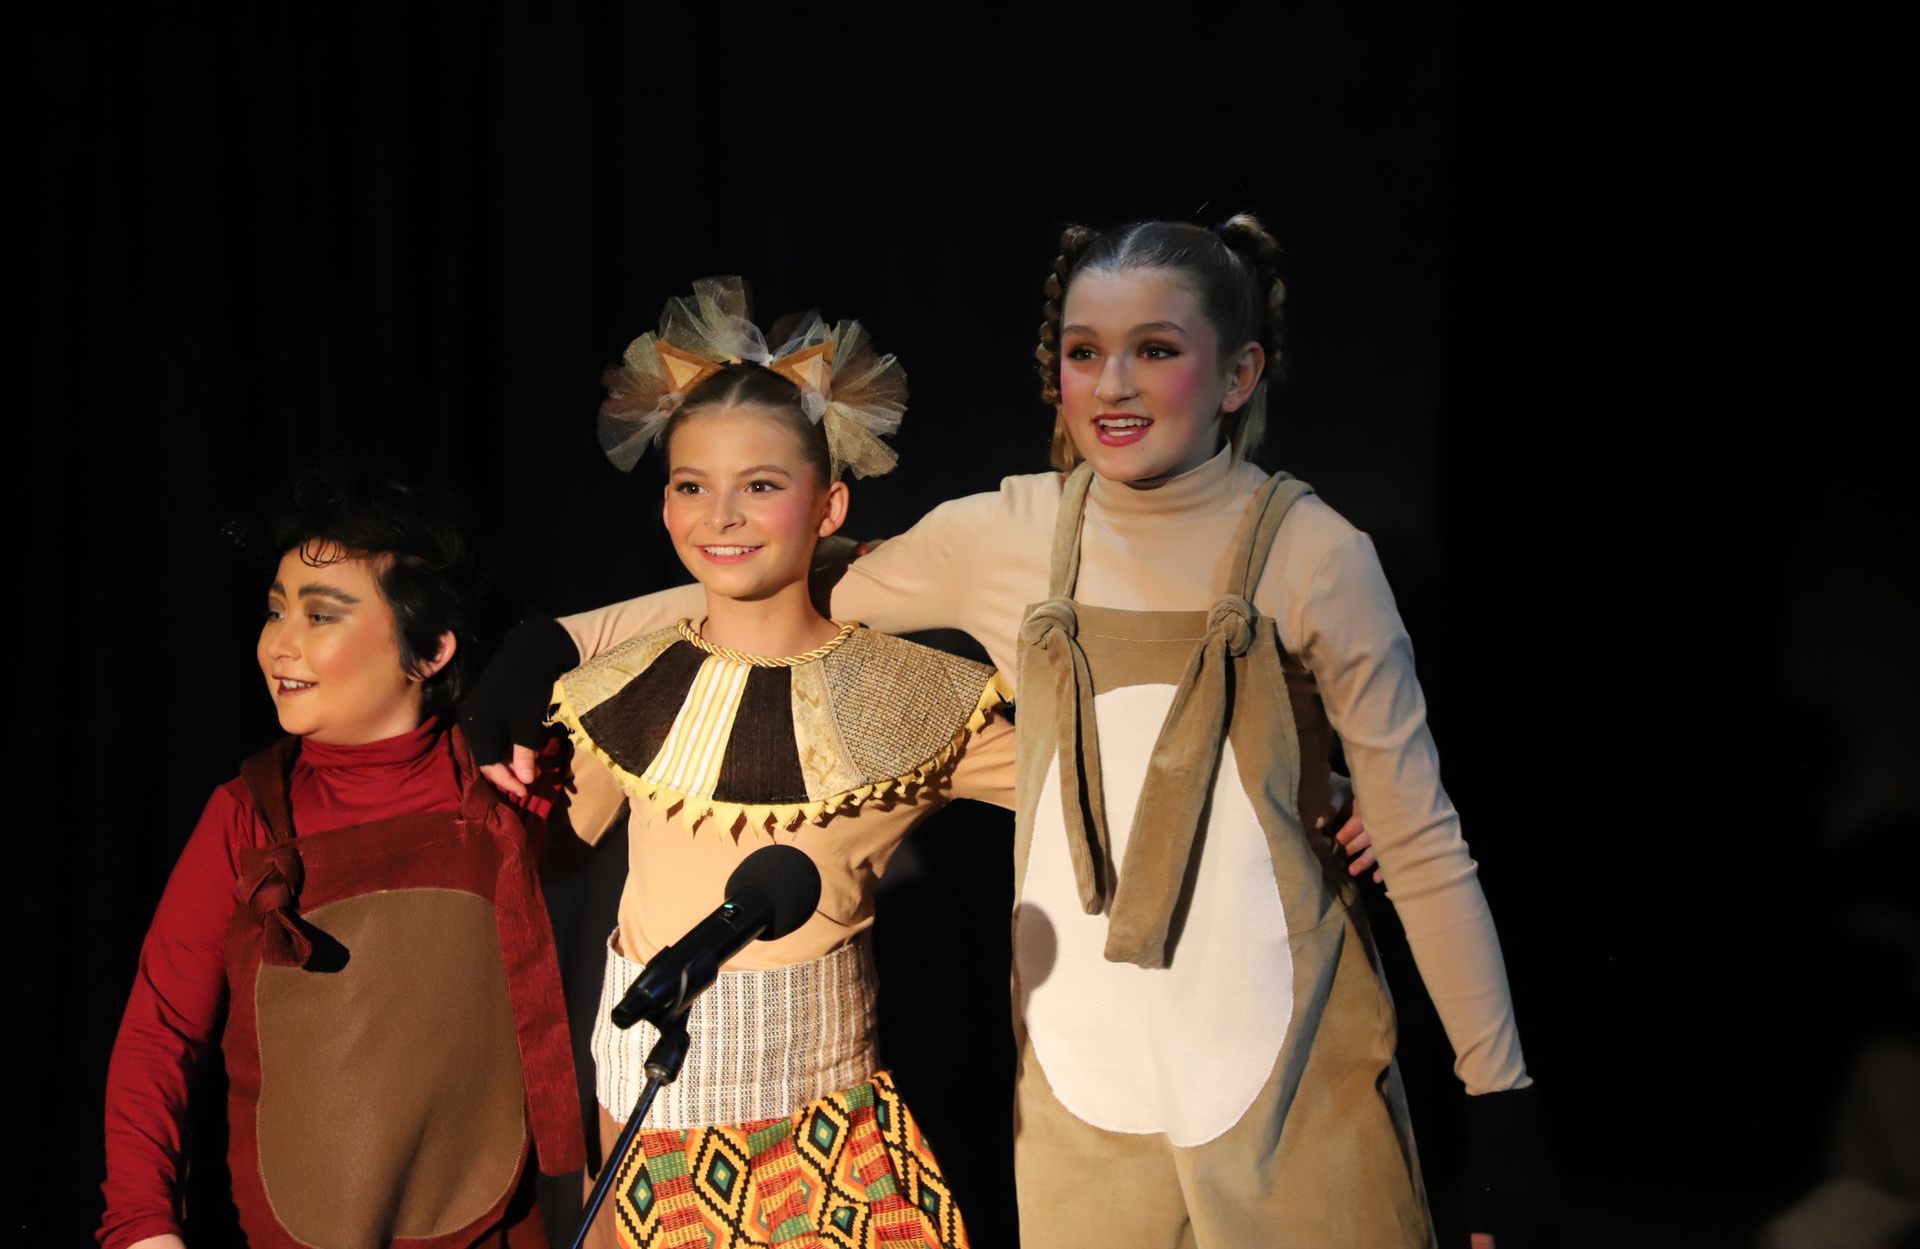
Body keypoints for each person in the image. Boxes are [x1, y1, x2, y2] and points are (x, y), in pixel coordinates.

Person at [471, 220, 1525, 1248]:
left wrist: (1499, 1100)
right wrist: (552, 643)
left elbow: (1423, 840)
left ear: (1239, 372)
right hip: (1081, 1082)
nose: (1112, 384)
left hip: (1284, 1051)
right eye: (1083, 351)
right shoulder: (1004, 535)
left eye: (1155, 349)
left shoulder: (1316, 553)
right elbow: (764, 590)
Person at [549, 279, 1011, 1249]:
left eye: (761, 483)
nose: (722, 512)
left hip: (830, 1140)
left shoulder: (906, 693)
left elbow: (1093, 779)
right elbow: (533, 849)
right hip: (649, 1137)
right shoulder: (618, 691)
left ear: (829, 501)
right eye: (690, 484)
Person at [99, 473, 583, 1249]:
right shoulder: (247, 814)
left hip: (495, 1226)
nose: (277, 643)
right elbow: (160, 1032)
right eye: (275, 609)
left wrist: (545, 650)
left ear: (429, 651)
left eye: (320, 615)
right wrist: (141, 1226)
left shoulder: (511, 781)